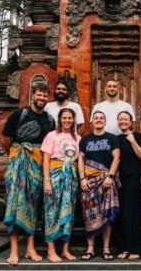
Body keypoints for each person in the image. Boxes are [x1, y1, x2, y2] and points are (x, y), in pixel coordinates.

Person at [1, 83, 55, 265]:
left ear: (48, 98)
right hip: (18, 165)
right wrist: (17, 156)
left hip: (38, 167)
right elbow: (6, 139)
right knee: (15, 205)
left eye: (44, 96)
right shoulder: (19, 114)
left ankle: (30, 248)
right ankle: (14, 250)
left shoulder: (49, 120)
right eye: (39, 95)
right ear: (33, 95)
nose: (41, 99)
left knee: (32, 206)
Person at [78, 111, 120, 261]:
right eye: (96, 118)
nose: (99, 120)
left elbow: (116, 158)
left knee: (106, 214)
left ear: (105, 121)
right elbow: (81, 160)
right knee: (89, 213)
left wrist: (110, 176)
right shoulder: (85, 139)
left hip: (106, 180)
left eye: (101, 118)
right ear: (92, 121)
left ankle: (106, 248)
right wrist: (82, 178)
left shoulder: (111, 138)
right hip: (89, 182)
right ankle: (90, 248)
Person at [41, 108, 81, 262]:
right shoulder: (52, 135)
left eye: (70, 118)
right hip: (55, 174)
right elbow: (45, 159)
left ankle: (65, 249)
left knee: (68, 212)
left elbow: (79, 160)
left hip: (71, 177)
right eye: (64, 118)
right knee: (52, 211)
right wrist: (47, 180)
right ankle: (51, 250)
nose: (67, 121)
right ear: (60, 119)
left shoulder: (77, 138)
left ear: (73, 120)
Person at [115, 111, 141, 261]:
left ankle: (136, 248)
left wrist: (133, 141)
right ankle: (124, 248)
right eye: (120, 119)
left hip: (132, 178)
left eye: (125, 119)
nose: (123, 121)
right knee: (119, 213)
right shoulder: (115, 139)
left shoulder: (137, 136)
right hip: (117, 179)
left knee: (132, 213)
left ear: (131, 122)